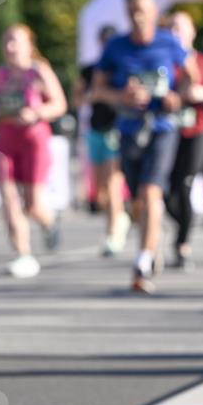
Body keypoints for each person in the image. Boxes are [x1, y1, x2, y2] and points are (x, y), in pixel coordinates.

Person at [92, 0, 196, 292]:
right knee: (139, 201)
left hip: (163, 127)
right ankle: (151, 239)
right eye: (133, 11)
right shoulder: (116, 47)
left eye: (143, 10)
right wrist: (121, 96)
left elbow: (190, 76)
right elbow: (97, 90)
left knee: (152, 193)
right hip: (129, 129)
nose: (138, 16)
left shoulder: (169, 42)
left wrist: (178, 96)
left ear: (154, 12)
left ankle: (143, 261)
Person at [0, 25, 67, 278]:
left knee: (33, 205)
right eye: (6, 42)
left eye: (15, 41)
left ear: (29, 46)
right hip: (5, 141)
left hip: (34, 141)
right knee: (9, 200)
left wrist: (35, 113)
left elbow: (59, 104)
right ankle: (23, 255)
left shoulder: (38, 71)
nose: (10, 47)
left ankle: (50, 221)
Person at [164, 11, 203, 269]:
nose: (177, 34)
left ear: (192, 32)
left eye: (182, 28)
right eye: (172, 29)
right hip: (167, 134)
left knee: (186, 185)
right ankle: (184, 224)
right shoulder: (163, 61)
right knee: (167, 192)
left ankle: (182, 244)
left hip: (197, 132)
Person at [73, 25, 130, 255]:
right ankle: (119, 219)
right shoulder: (90, 69)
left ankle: (112, 233)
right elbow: (77, 98)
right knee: (100, 192)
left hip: (114, 130)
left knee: (112, 184)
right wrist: (91, 95)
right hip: (95, 129)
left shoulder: (121, 68)